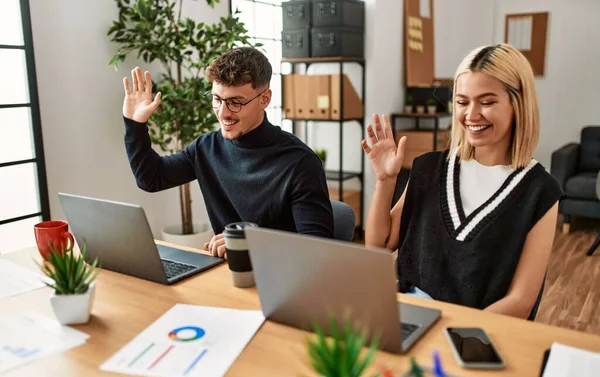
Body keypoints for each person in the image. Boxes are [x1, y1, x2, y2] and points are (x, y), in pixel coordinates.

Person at [362, 44, 564, 319]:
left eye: (487, 102)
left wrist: (456, 334)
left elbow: (520, 301)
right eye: (462, 101)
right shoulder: (428, 167)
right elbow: (379, 245)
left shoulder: (540, 190)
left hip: (478, 333)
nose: (471, 114)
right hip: (411, 317)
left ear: (518, 104)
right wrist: (385, 181)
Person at [121, 47, 334, 258]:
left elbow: (318, 250)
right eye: (217, 99)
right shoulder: (206, 147)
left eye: (235, 102)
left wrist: (254, 243)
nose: (223, 113)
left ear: (264, 99)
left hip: (282, 280)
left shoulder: (301, 163)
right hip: (227, 273)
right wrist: (134, 125)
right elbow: (151, 178)